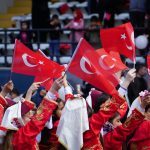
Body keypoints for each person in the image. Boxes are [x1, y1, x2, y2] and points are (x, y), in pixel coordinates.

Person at [1, 77, 64, 150]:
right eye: (29, 116)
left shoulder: (9, 136)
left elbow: (23, 111)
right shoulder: (21, 138)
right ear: (18, 121)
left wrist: (4, 92)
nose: (32, 116)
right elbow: (36, 122)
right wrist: (52, 90)